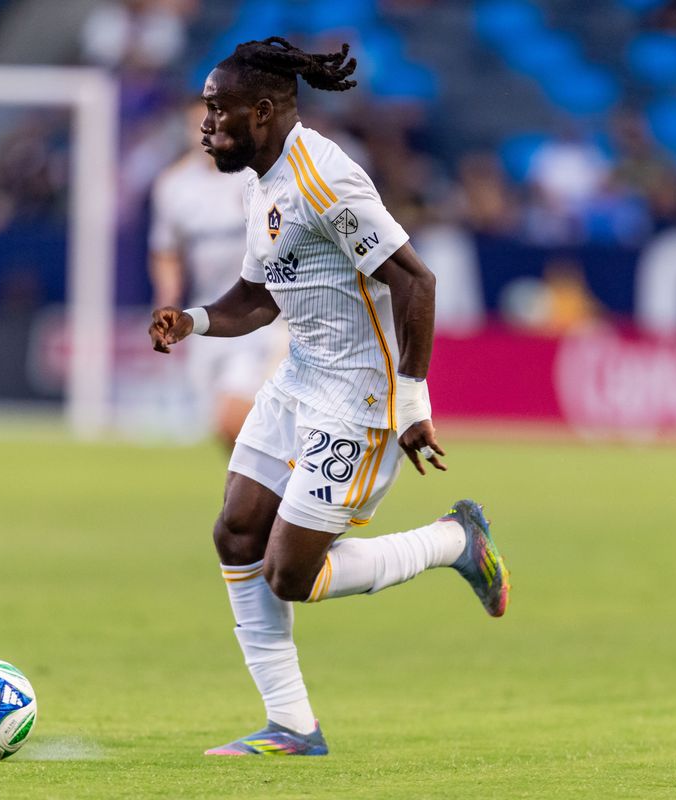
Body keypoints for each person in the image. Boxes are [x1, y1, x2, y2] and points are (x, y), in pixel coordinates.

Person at [148, 38, 511, 757]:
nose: (206, 124)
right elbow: (258, 297)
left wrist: (412, 403)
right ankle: (290, 726)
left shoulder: (324, 179)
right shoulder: (262, 181)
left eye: (218, 110)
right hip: (298, 381)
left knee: (290, 574)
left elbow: (416, 281)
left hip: (359, 400)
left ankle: (454, 542)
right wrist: (192, 320)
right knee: (235, 533)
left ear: (262, 111)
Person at [149, 99, 283, 448]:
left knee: (233, 417)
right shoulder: (173, 186)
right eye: (201, 126)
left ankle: (289, 478)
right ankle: (273, 480)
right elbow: (166, 252)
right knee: (226, 429)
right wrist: (167, 302)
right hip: (208, 315)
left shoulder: (257, 177)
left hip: (258, 315)